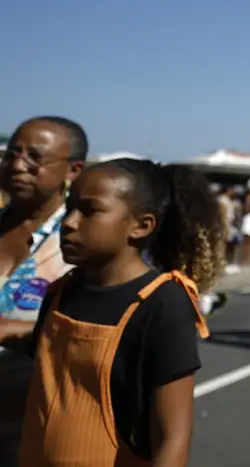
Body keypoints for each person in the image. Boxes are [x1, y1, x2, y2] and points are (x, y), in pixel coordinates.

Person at [0, 158, 222, 467]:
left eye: (90, 211)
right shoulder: (63, 290)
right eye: (70, 208)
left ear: (141, 226)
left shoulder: (162, 302)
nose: (69, 222)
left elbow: (173, 437)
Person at [0, 116, 87, 465]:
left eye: (34, 157)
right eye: (12, 154)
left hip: (37, 428)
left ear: (73, 170)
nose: (18, 165)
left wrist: (12, 331)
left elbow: (97, 332)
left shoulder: (84, 244)